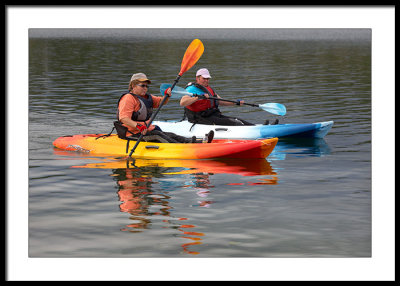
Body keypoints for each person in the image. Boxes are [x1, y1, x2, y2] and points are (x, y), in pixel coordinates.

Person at [116, 73, 213, 143]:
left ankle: (198, 141)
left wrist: (167, 95)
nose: (145, 88)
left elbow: (162, 102)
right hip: (133, 133)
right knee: (160, 135)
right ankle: (185, 148)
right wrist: (139, 126)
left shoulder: (147, 97)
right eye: (142, 85)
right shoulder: (128, 98)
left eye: (146, 86)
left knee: (170, 134)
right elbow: (123, 118)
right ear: (133, 86)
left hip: (147, 129)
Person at [180, 68, 255, 126]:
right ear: (197, 78)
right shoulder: (190, 89)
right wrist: (197, 98)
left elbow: (220, 101)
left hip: (212, 115)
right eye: (204, 78)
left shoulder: (207, 88)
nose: (206, 81)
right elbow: (182, 103)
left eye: (208, 79)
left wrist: (236, 103)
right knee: (235, 123)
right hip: (199, 118)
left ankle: (255, 126)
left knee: (238, 120)